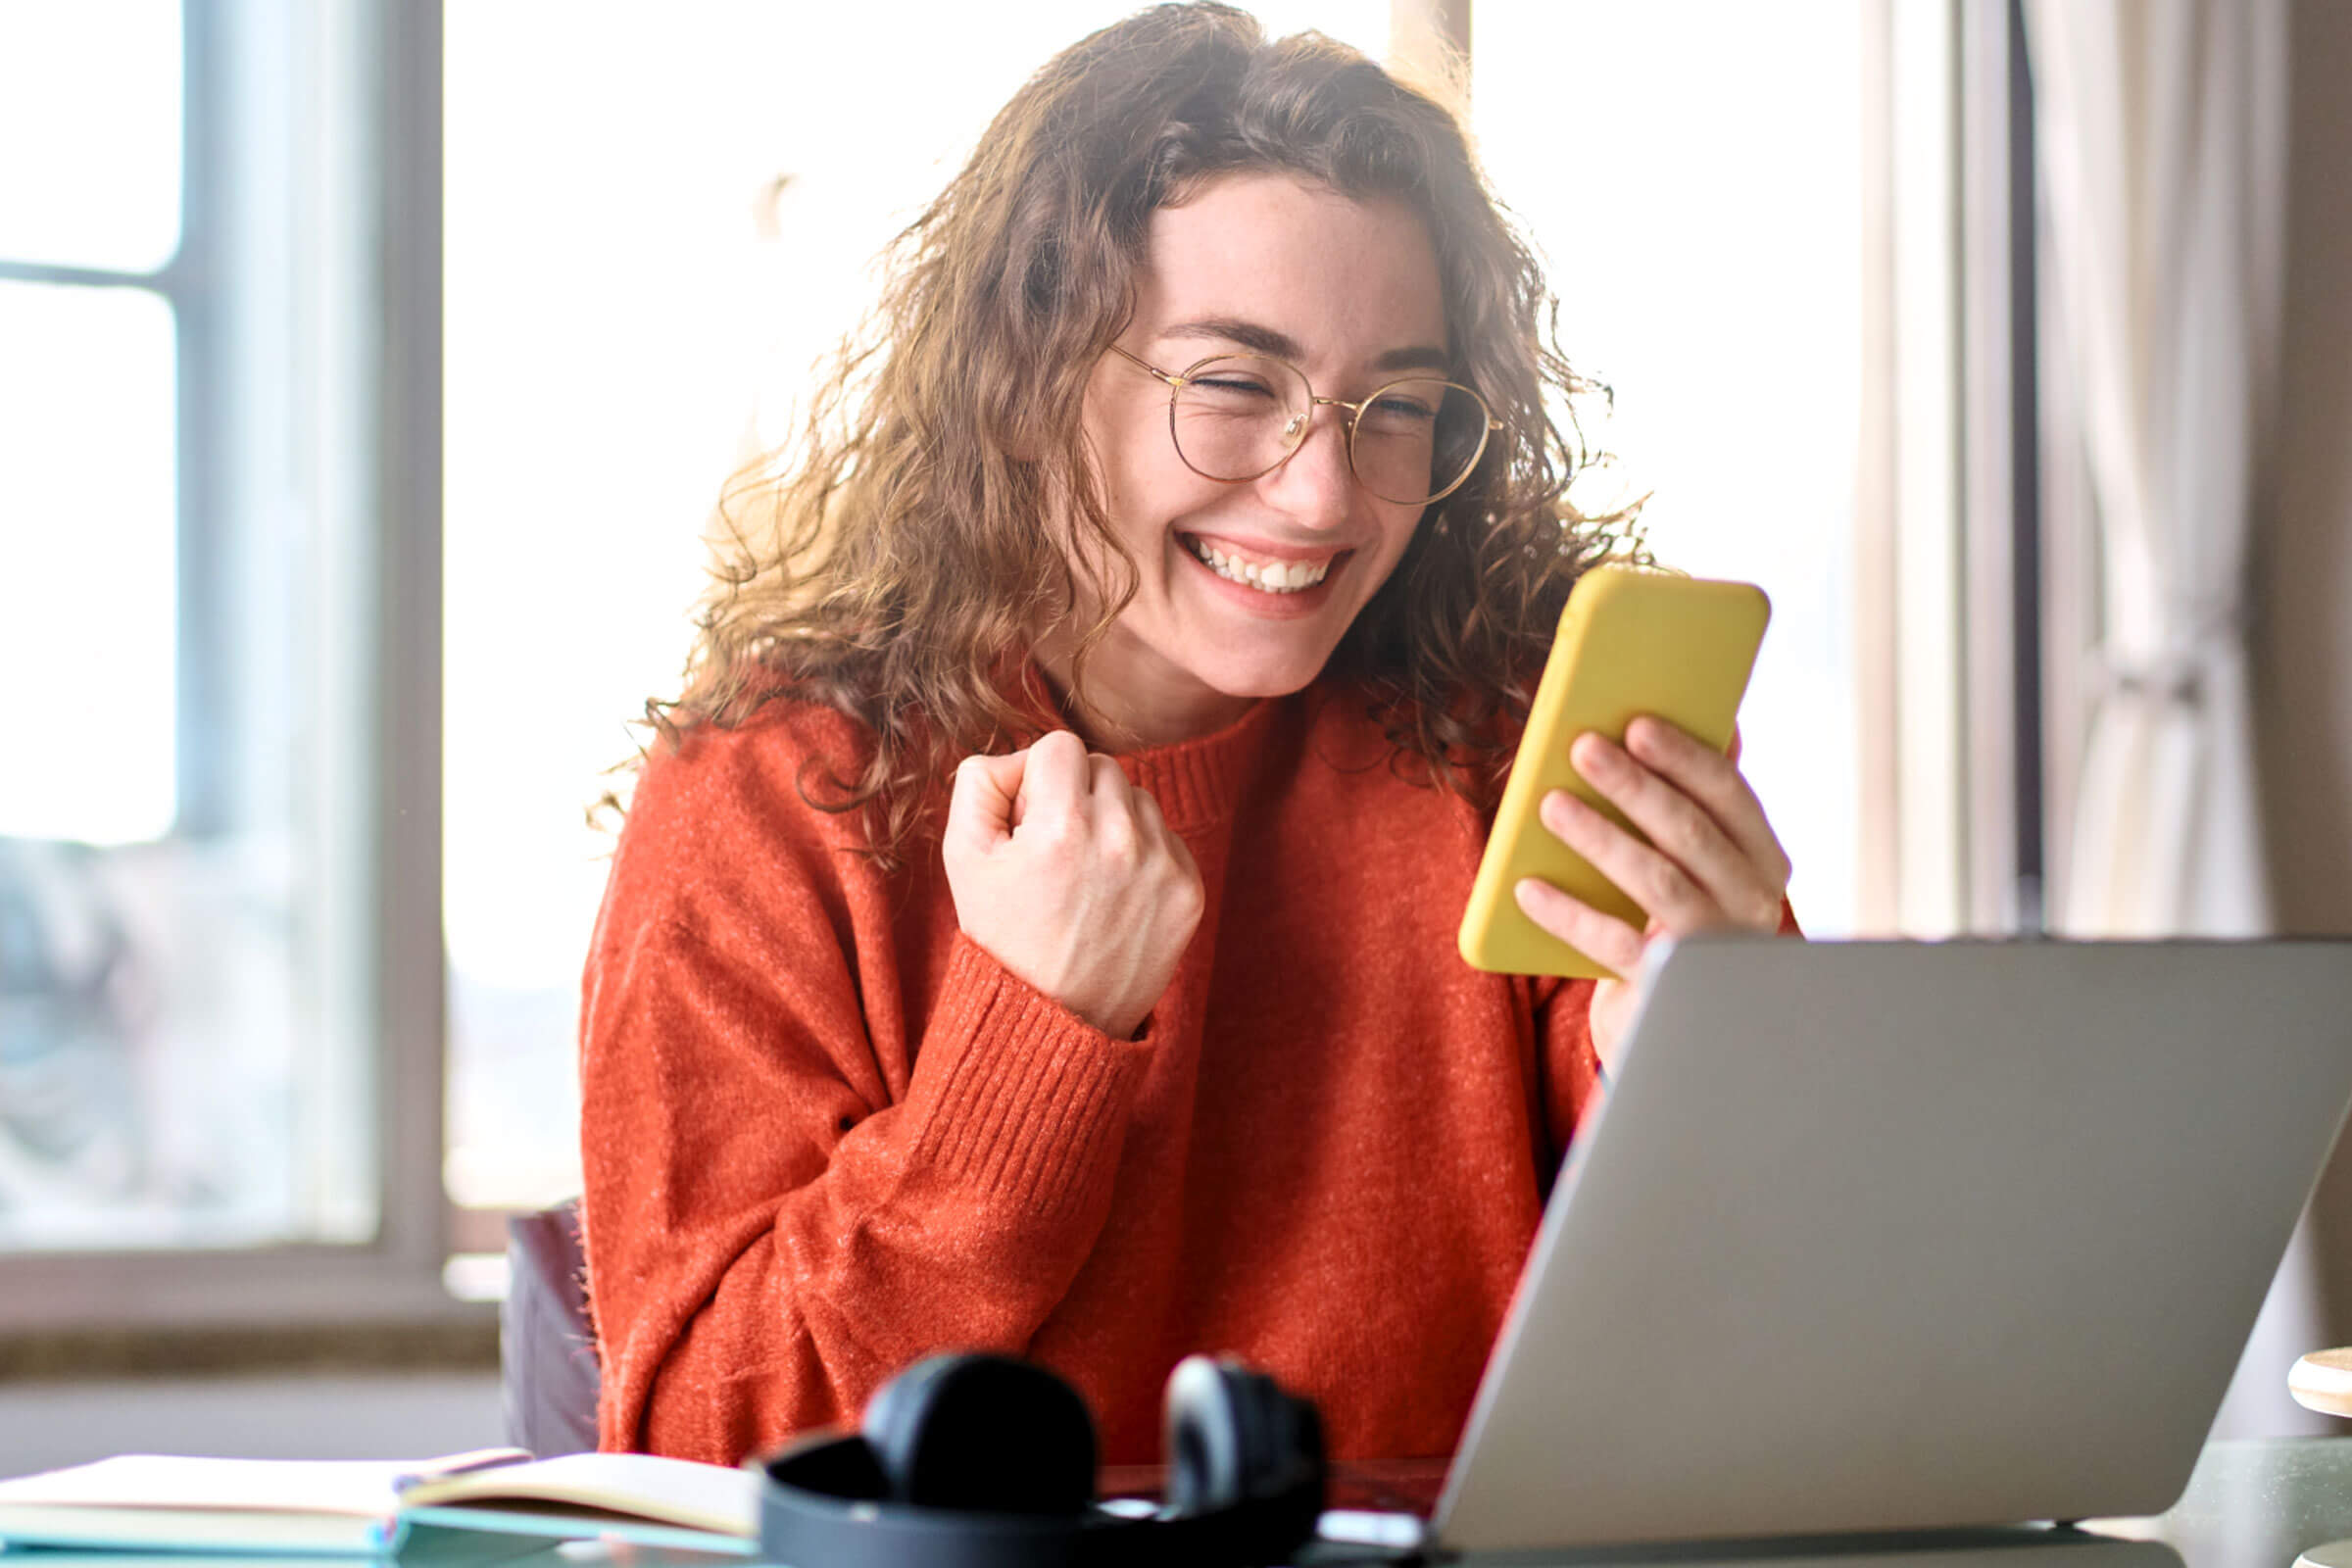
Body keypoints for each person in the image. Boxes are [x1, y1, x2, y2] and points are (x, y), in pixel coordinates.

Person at [579, 1, 1795, 1469]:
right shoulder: (770, 803)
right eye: (1232, 387)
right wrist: (1028, 1041)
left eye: (1397, 405)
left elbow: (1749, 1380)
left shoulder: (1502, 755)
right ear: (1028, 378)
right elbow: (696, 1455)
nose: (1324, 498)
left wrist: (1712, 1052)